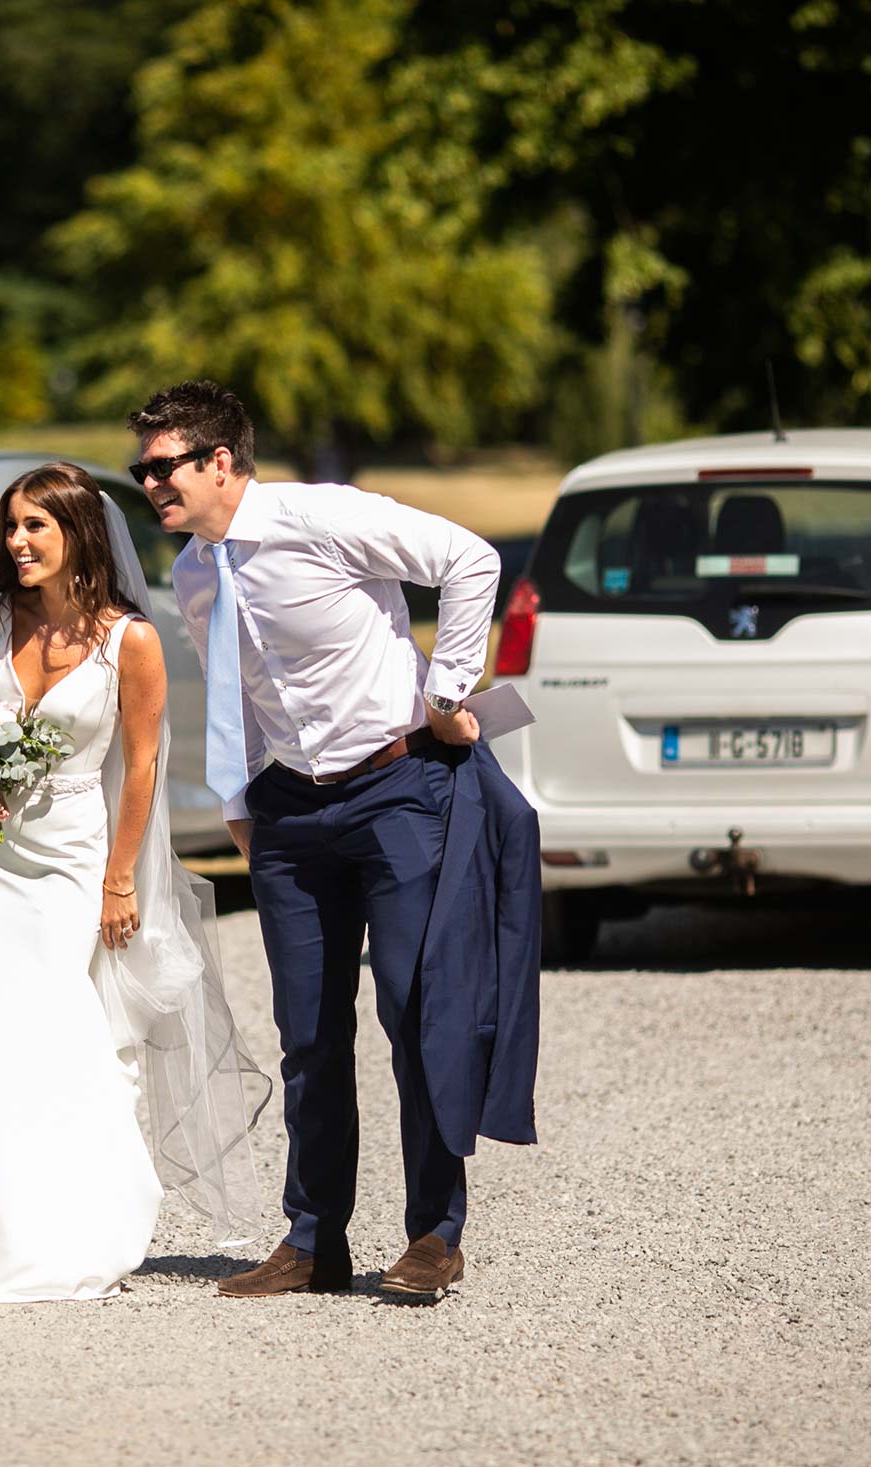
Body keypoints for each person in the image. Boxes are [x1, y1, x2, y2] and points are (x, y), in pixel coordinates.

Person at [130, 380, 541, 1305]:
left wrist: (448, 690)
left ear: (221, 461)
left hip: (397, 787)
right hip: (289, 816)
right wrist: (240, 805)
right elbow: (230, 685)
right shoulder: (197, 572)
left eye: (165, 466)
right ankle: (315, 1239)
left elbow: (470, 559)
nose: (151, 483)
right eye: (142, 470)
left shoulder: (326, 517)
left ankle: (435, 1233)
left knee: (414, 1009)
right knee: (309, 1034)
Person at [0, 463, 268, 1301]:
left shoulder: (132, 640)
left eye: (34, 527)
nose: (15, 542)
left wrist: (120, 878)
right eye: (11, 526)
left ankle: (73, 1222)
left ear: (79, 534)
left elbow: (145, 765)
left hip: (80, 856)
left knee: (59, 1030)